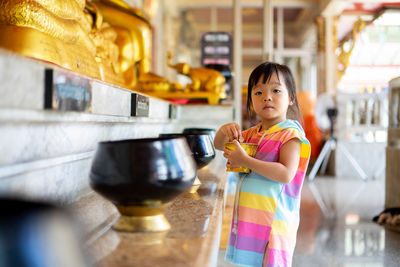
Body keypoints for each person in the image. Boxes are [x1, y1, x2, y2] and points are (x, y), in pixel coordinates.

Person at [214, 62, 311, 267]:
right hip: (251, 220)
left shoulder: (290, 135)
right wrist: (224, 131)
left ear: (291, 98)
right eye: (258, 92)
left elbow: (286, 173)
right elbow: (218, 144)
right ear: (251, 99)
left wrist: (246, 160)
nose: (267, 97)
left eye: (276, 90)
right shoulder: (251, 134)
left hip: (274, 223)